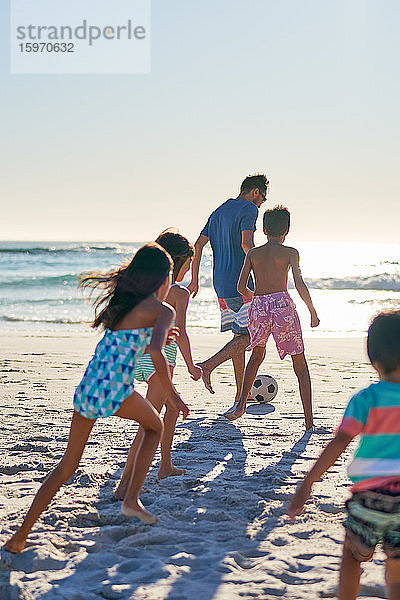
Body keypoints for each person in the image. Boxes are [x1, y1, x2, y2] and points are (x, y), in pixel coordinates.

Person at [4, 244, 189, 554]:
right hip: (116, 389)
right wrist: (172, 394)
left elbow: (127, 348)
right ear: (162, 278)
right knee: (155, 428)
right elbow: (157, 353)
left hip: (90, 385)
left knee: (66, 467)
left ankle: (19, 536)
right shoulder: (163, 310)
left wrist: (155, 340)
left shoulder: (123, 305)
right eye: (170, 275)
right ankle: (131, 500)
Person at [288, 311, 400, 600]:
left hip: (369, 496)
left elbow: (340, 441)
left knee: (352, 555)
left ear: (373, 360)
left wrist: (307, 483)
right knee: (397, 568)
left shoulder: (366, 399)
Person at [115, 231, 201, 495]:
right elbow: (181, 333)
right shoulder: (179, 293)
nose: (190, 269)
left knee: (171, 411)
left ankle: (165, 465)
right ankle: (124, 486)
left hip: (137, 355)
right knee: (149, 424)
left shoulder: (142, 286)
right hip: (162, 358)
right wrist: (191, 365)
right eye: (189, 263)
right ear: (179, 262)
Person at [224, 206, 319, 429]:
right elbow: (299, 283)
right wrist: (312, 311)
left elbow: (240, 287)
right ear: (287, 230)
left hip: (258, 306)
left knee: (256, 356)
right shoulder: (290, 253)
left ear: (264, 229)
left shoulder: (253, 254)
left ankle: (240, 406)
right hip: (282, 307)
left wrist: (257, 300)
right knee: (300, 363)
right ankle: (309, 421)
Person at [188, 174, 269, 403]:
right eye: (263, 198)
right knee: (251, 337)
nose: (262, 204)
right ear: (255, 192)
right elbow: (247, 244)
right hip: (240, 284)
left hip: (220, 284)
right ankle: (208, 365)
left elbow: (197, 246)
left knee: (239, 335)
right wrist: (260, 273)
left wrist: (194, 280)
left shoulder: (218, 211)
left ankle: (239, 395)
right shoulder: (249, 209)